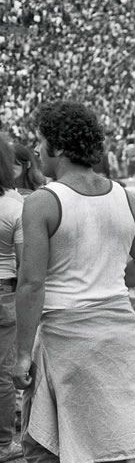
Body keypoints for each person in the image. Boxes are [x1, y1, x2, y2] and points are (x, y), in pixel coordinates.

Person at [13, 101, 135, 462]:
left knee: (50, 443)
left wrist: (22, 355)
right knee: (119, 433)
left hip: (65, 339)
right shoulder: (125, 197)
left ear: (60, 147)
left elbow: (32, 284)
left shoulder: (43, 201)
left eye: (40, 141)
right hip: (119, 335)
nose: (36, 150)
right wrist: (106, 285)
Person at [0, 137, 23, 462]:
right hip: (5, 294)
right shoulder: (14, 207)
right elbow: (28, 264)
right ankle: (4, 444)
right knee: (3, 374)